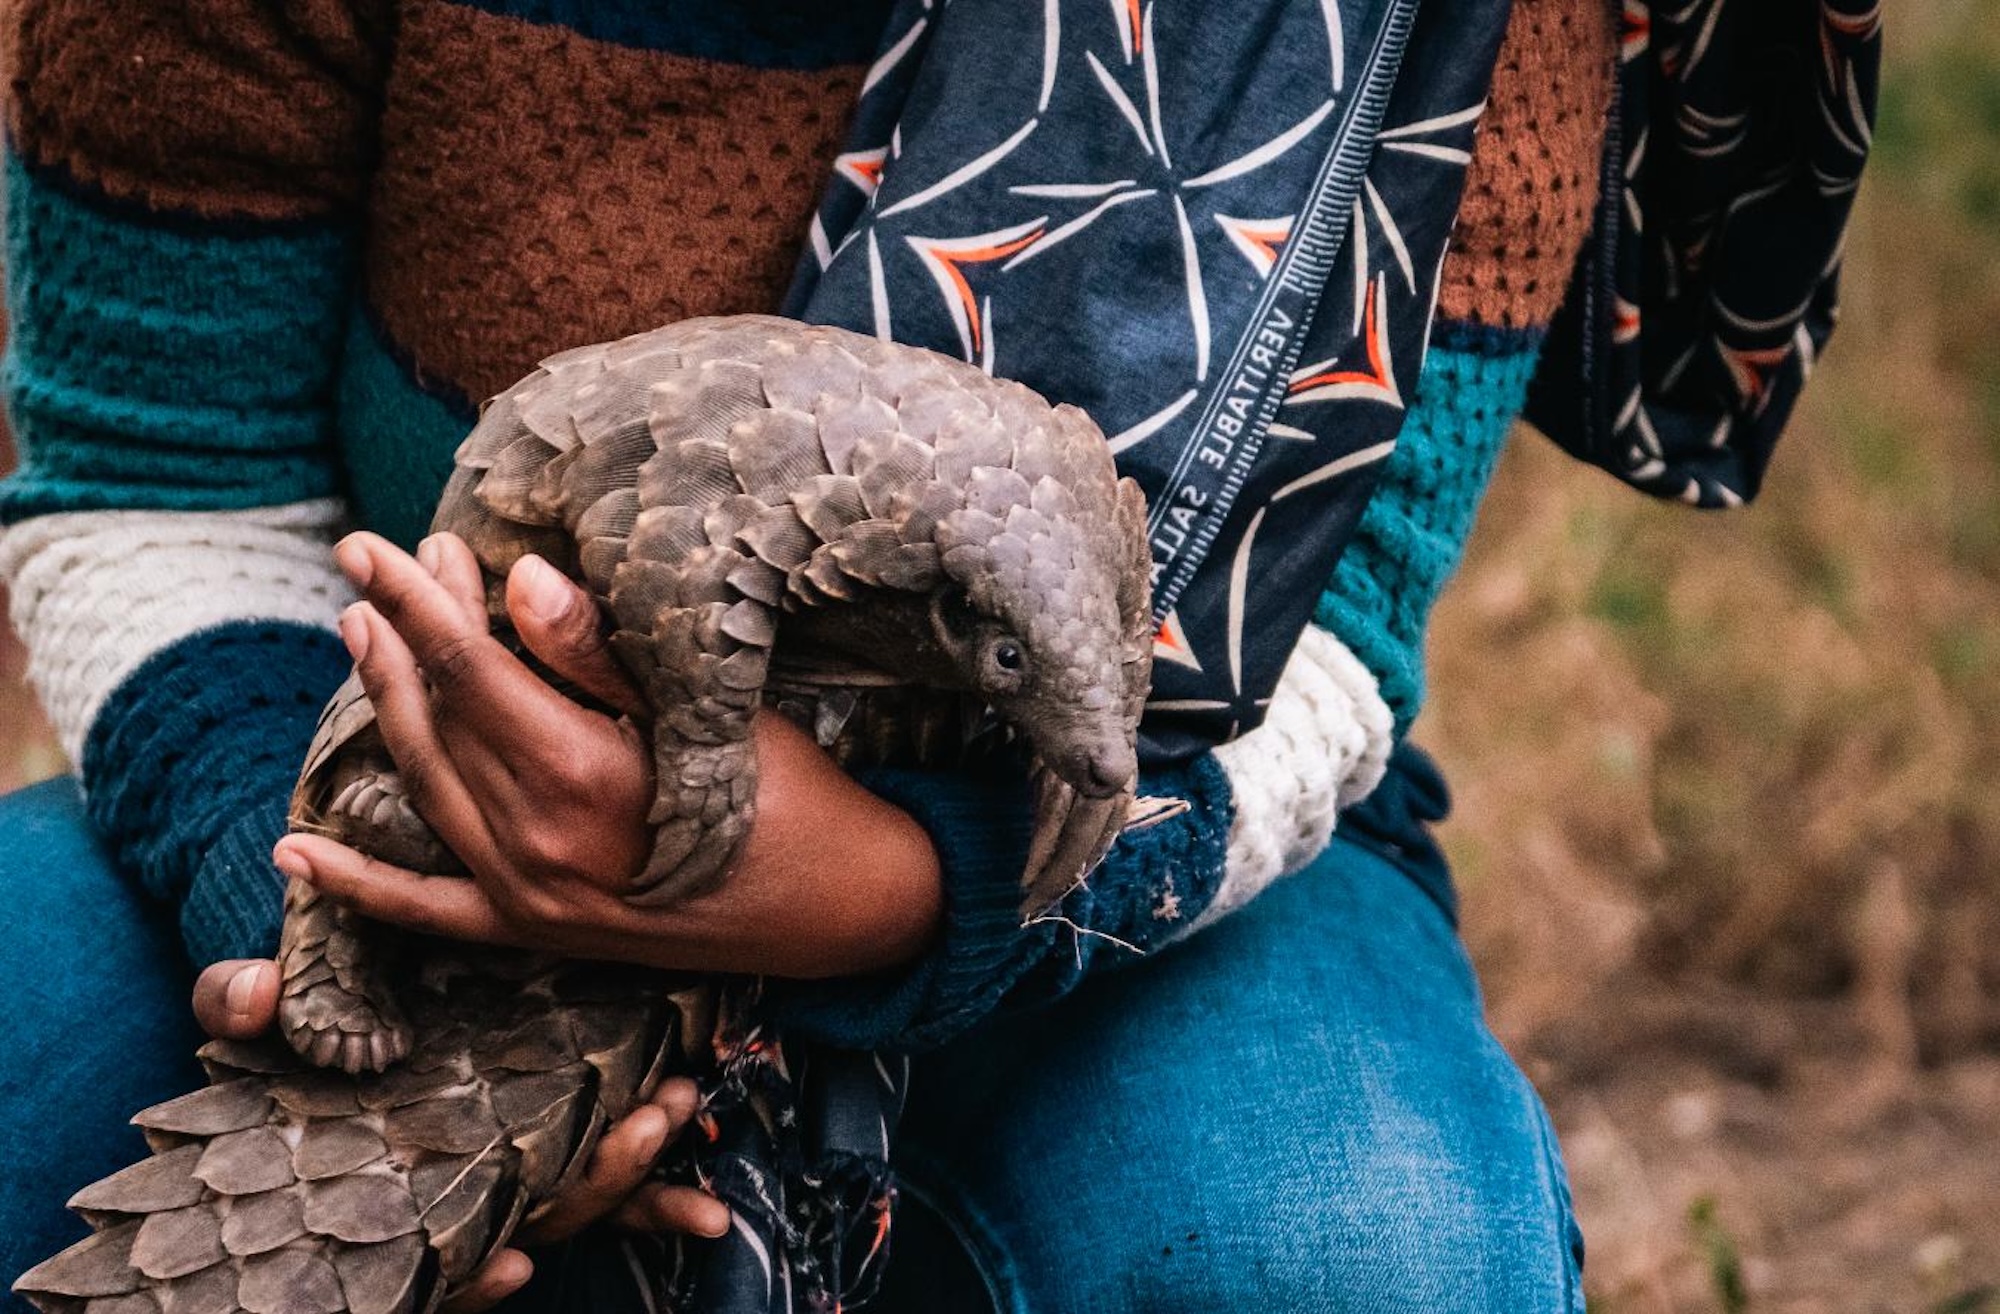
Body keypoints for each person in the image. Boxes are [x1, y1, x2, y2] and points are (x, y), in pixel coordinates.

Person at [0, 0, 1874, 1308]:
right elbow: (155, 468)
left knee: (1335, 1244)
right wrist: (357, 932)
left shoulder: (1422, 26)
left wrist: (897, 888)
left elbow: (1332, 637)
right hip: (368, 757)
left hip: (1130, 815)